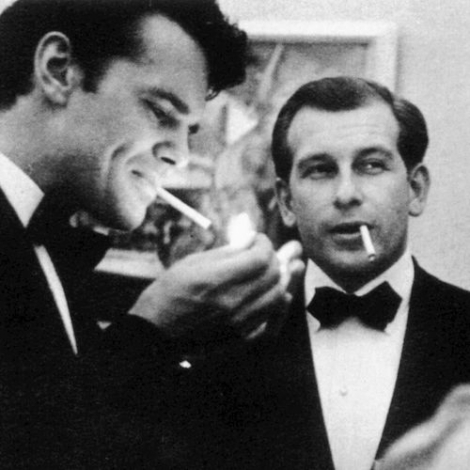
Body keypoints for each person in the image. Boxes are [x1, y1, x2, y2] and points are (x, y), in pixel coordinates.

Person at [0, 0, 304, 468]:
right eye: (161, 112)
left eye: (189, 131)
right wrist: (151, 332)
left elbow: (84, 431)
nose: (180, 155)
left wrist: (200, 343)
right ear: (59, 70)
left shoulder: (47, 239)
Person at [200, 76, 470, 470]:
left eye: (372, 165)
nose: (346, 194)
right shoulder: (224, 339)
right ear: (286, 202)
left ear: (415, 189)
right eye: (320, 170)